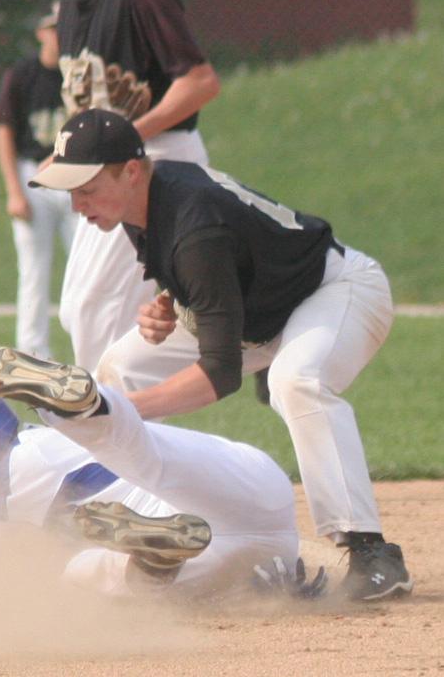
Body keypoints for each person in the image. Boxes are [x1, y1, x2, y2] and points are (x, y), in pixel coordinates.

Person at [29, 107, 414, 602]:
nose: (78, 205)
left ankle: (372, 553)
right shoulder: (141, 200)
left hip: (335, 293)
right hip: (266, 310)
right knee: (123, 367)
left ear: (129, 170)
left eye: (86, 188)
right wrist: (170, 304)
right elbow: (223, 263)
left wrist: (119, 413)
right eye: (71, 193)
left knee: (298, 381)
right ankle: (146, 512)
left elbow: (218, 373)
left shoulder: (194, 225)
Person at [0, 354, 327, 602]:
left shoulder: (11, 475)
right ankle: (83, 406)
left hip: (213, 535)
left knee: (80, 576)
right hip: (256, 509)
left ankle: (153, 561)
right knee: (146, 454)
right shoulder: (42, 450)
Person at [49, 0, 220, 371]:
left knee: (93, 312)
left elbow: (200, 82)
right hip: (108, 166)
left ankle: (110, 433)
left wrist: (123, 138)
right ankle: (128, 430)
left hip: (154, 160)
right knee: (79, 311)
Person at [0, 2, 77, 359]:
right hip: (34, 176)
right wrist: (13, 190)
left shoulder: (80, 74)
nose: (60, 33)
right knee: (33, 271)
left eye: (66, 26)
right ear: (41, 31)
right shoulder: (23, 74)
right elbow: (4, 130)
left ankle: (88, 351)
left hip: (76, 176)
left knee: (84, 269)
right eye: (54, 26)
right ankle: (33, 356)